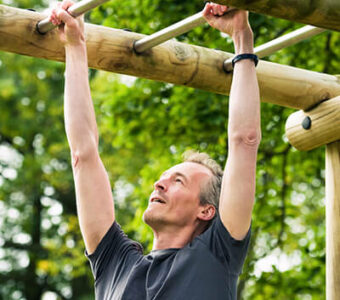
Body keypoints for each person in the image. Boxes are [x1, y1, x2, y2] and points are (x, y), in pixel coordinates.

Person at [50, 1, 261, 299]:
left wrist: (241, 36)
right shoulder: (115, 265)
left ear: (207, 210)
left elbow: (245, 141)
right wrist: (74, 44)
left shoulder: (218, 255)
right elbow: (82, 154)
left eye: (178, 181)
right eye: (166, 176)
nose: (159, 183)